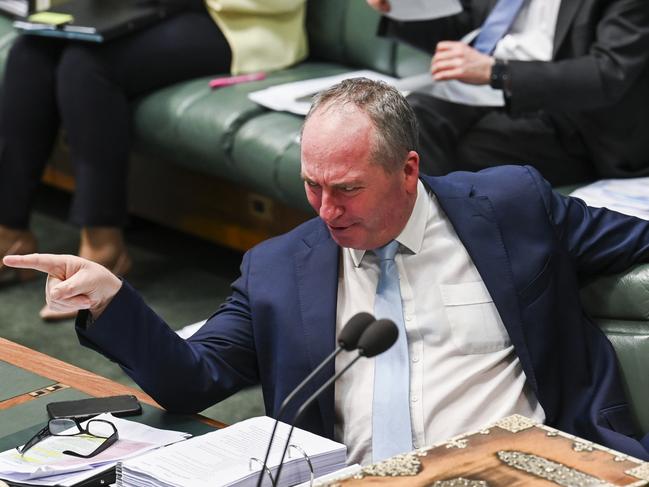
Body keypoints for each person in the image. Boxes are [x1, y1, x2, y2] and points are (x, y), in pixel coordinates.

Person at [5, 78, 649, 465]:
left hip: (519, 470)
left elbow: (636, 240)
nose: (325, 210)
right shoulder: (280, 268)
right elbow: (191, 381)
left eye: (346, 188)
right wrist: (111, 299)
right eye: (311, 185)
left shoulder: (512, 207)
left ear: (408, 169)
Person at [0, 0, 307, 320]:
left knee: (86, 66)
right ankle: (9, 233)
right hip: (136, 9)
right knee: (30, 51)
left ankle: (103, 243)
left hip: (233, 21)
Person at [366, 0, 649, 185]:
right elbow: (472, 33)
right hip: (491, 92)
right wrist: (395, 8)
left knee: (453, 151)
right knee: (411, 118)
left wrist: (497, 72)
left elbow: (609, 73)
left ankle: (420, 249)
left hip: (574, 119)